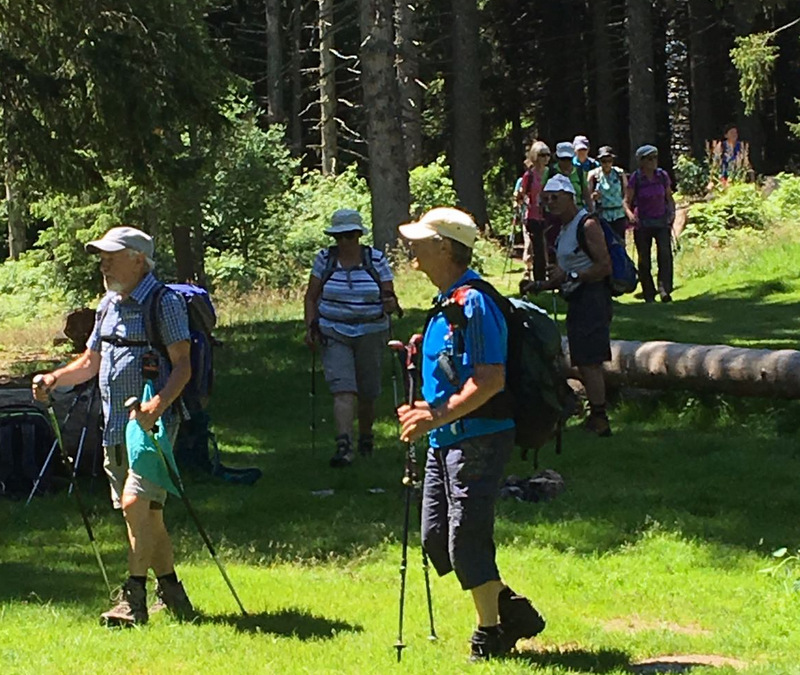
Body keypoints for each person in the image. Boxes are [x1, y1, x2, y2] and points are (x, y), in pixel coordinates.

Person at [397, 207, 545, 661]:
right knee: (436, 538)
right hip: (446, 437)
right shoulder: (446, 302)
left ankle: (490, 635)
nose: (411, 248)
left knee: (466, 539)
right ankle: (512, 611)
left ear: (444, 247)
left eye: (420, 240)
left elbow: (490, 379)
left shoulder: (474, 302)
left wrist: (435, 416)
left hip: (479, 436)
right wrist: (427, 408)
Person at [33, 226, 194, 626]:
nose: (103, 265)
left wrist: (157, 406)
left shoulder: (165, 302)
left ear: (139, 260)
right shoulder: (108, 304)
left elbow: (183, 366)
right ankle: (172, 590)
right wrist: (54, 378)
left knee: (136, 503)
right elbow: (91, 362)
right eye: (102, 257)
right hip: (115, 426)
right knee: (146, 515)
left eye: (112, 257)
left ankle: (132, 600)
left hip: (152, 427)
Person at [304, 209, 398, 467]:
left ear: (358, 235)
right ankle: (344, 446)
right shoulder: (324, 259)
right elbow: (311, 296)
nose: (344, 241)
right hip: (333, 331)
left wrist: (389, 303)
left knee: (368, 392)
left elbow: (389, 294)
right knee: (343, 389)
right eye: (339, 237)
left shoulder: (376, 259)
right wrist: (310, 327)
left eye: (349, 236)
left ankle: (366, 438)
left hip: (371, 331)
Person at [521, 175, 613, 437]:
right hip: (578, 298)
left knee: (590, 361)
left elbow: (604, 266)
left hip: (593, 298)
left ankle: (600, 419)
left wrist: (573, 276)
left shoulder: (587, 224)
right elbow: (564, 274)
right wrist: (539, 285)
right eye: (546, 199)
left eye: (555, 197)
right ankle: (595, 416)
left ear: (570, 197)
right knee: (582, 360)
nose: (550, 203)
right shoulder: (564, 229)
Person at [623, 144, 676, 303]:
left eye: (655, 158)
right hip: (643, 223)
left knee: (665, 255)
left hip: (661, 221)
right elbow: (626, 201)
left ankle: (664, 290)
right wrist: (630, 216)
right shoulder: (636, 178)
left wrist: (672, 213)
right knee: (644, 259)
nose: (653, 161)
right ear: (642, 161)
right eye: (649, 159)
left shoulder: (662, 176)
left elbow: (669, 197)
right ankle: (648, 292)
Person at [517, 141, 551, 281]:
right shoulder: (529, 175)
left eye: (548, 155)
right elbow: (522, 194)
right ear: (535, 156)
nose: (545, 158)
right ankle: (539, 279)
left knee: (549, 247)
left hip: (549, 214)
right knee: (537, 248)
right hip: (533, 216)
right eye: (542, 155)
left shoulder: (551, 173)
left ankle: (551, 276)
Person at [588, 146, 628, 240]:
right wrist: (593, 196)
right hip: (602, 215)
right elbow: (587, 196)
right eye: (603, 161)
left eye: (609, 161)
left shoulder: (619, 173)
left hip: (619, 214)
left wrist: (627, 210)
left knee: (620, 242)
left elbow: (626, 193)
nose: (606, 164)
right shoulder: (593, 175)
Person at [553, 142, 593, 211]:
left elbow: (586, 194)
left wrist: (591, 209)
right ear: (557, 158)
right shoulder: (551, 172)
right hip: (555, 212)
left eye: (568, 159)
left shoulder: (579, 172)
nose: (566, 162)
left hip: (577, 210)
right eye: (563, 159)